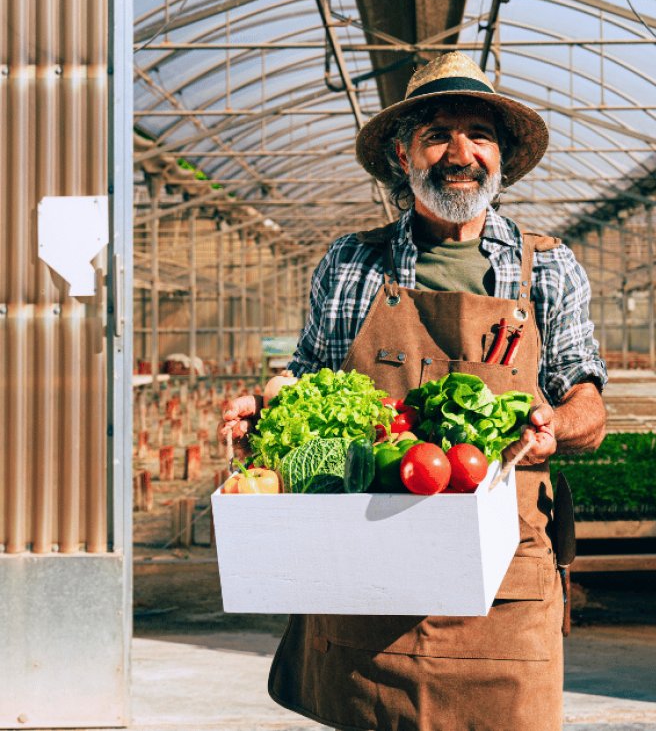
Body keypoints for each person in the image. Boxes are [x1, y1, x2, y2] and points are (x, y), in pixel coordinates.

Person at [220, 51, 607, 731]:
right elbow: (310, 374)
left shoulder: (547, 268)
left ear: (503, 158)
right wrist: (269, 400)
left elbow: (589, 403)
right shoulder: (352, 262)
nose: (460, 153)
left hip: (503, 577)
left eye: (479, 135)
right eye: (438, 134)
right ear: (405, 155)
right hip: (369, 562)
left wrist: (556, 423)